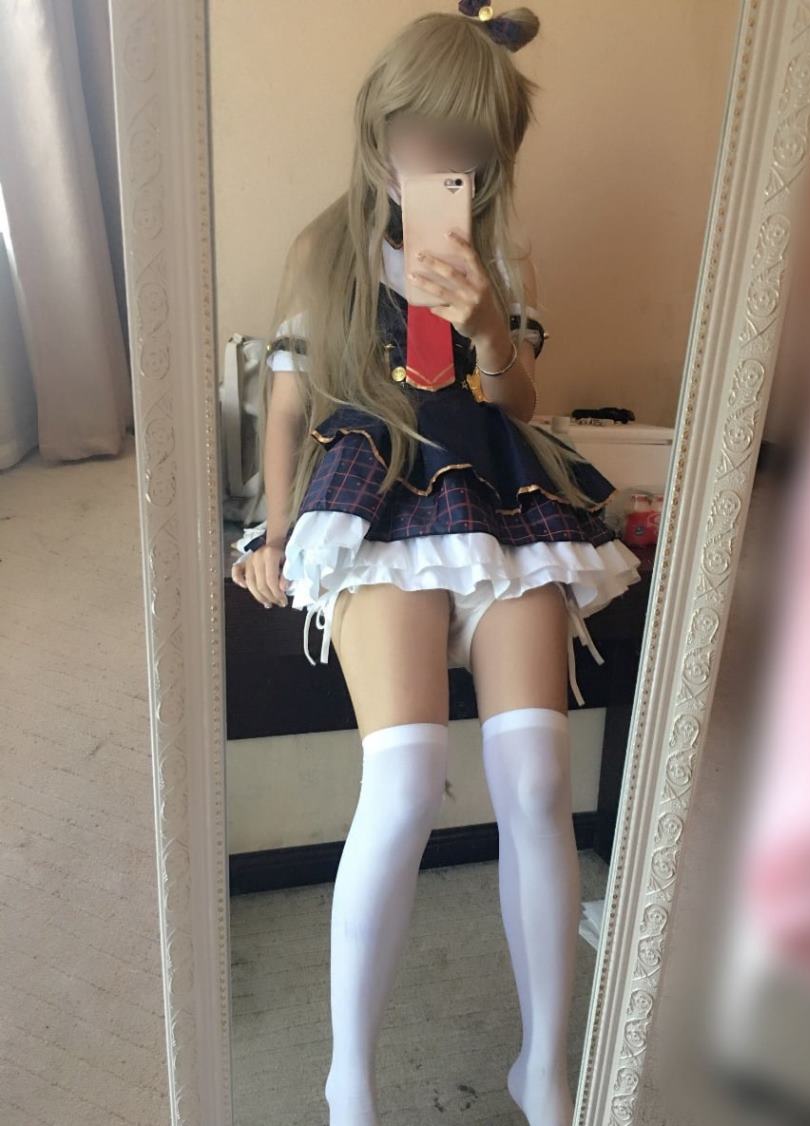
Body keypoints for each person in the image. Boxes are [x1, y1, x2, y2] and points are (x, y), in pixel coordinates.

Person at [232, 5, 641, 1123]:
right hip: (374, 489)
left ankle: (542, 1070)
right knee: (406, 782)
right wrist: (274, 533)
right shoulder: (324, 247)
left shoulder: (499, 253)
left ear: (491, 155)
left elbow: (520, 404)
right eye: (415, 130)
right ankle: (349, 1084)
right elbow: (285, 407)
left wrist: (488, 328)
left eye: (463, 143)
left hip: (498, 495)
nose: (432, 158)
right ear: (376, 125)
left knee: (537, 780)